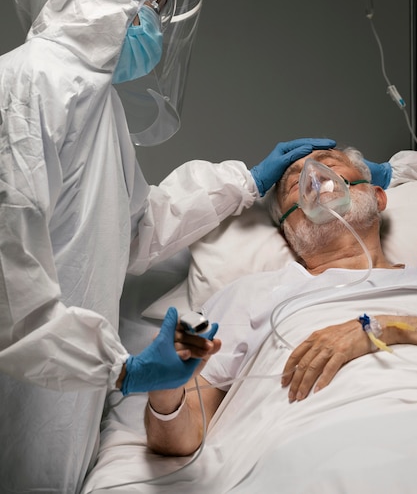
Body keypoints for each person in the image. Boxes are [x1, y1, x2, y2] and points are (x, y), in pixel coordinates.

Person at [0, 0, 341, 493]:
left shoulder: (93, 102)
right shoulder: (26, 89)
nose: (154, 26)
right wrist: (122, 369)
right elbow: (10, 277)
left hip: (66, 395)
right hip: (28, 386)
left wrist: (247, 180)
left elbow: (131, 231)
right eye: (149, 7)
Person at [144, 145, 417, 460]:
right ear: (290, 230)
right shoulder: (251, 295)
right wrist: (165, 396)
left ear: (378, 198)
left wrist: (378, 329)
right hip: (314, 448)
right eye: (295, 185)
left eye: (330, 165)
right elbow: (182, 439)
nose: (316, 180)